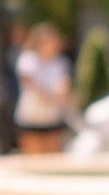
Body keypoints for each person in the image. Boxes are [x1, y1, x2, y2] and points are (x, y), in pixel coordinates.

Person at [14, 23, 75, 152]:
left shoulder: (60, 63)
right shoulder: (27, 60)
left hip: (52, 118)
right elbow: (31, 86)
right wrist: (53, 96)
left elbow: (63, 87)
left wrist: (55, 96)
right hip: (31, 117)